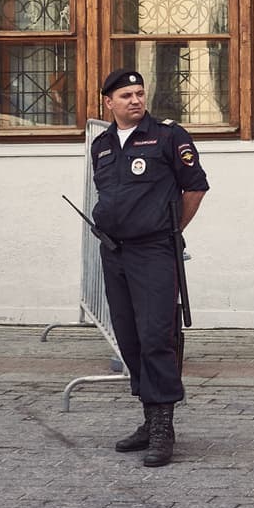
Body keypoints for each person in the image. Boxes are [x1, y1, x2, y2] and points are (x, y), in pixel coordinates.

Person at [92, 69, 208, 468]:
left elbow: (195, 187)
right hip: (115, 253)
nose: (135, 100)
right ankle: (147, 418)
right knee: (130, 337)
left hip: (154, 252)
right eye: (126, 95)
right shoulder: (102, 144)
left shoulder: (169, 136)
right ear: (108, 102)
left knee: (157, 336)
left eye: (140, 93)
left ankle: (163, 428)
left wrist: (170, 230)